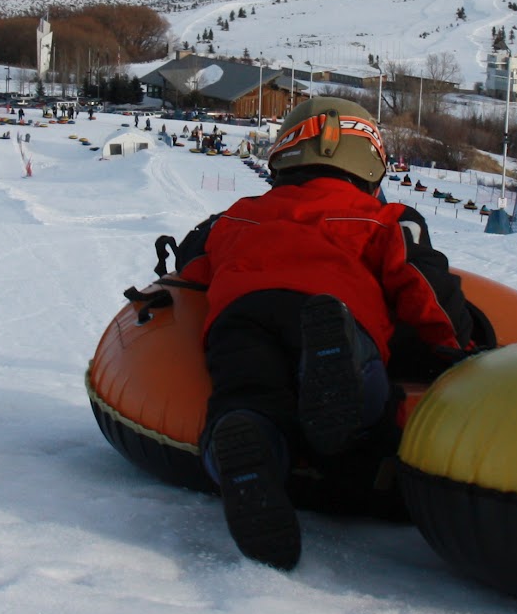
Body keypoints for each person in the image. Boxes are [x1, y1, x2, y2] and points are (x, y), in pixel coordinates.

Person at [178, 97, 473, 570]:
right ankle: (347, 373)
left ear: (283, 155)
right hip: (332, 305)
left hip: (241, 316)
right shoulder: (386, 218)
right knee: (362, 376)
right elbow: (424, 287)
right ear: (371, 166)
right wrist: (460, 347)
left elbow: (190, 266)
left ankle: (246, 437)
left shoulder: (237, 214)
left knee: (247, 392)